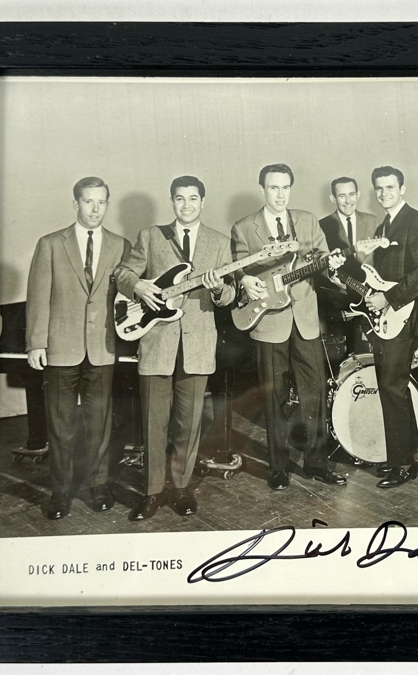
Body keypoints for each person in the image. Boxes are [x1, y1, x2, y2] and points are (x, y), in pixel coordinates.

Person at [113, 176, 236, 521]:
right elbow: (123, 272)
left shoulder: (219, 243)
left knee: (189, 422)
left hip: (197, 344)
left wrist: (216, 291)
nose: (186, 205)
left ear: (203, 201)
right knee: (155, 422)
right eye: (179, 199)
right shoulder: (151, 237)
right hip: (157, 343)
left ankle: (181, 487)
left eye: (193, 198)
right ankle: (152, 493)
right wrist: (137, 284)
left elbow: (228, 296)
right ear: (172, 202)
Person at [231, 163, 347, 490]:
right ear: (262, 189)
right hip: (268, 320)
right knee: (274, 397)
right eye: (273, 188)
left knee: (315, 395)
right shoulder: (244, 228)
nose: (280, 195)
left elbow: (323, 260)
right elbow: (238, 270)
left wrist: (333, 266)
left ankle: (316, 463)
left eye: (285, 188)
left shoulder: (307, 221)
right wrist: (245, 279)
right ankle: (278, 468)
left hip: (306, 320)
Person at [26, 176, 131, 519]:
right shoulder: (51, 244)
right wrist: (36, 343)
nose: (95, 209)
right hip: (60, 347)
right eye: (89, 201)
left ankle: (98, 486)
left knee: (100, 423)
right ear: (76, 204)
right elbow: (39, 297)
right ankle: (59, 492)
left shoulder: (121, 246)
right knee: (60, 425)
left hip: (102, 347)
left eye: (102, 202)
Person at [363, 166, 418, 489]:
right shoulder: (383, 226)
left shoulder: (417, 221)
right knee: (394, 388)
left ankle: (401, 465)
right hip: (388, 319)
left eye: (390, 187)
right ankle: (410, 456)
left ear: (402, 188)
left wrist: (388, 299)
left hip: (403, 317)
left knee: (392, 388)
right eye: (379, 188)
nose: (384, 193)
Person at [317, 177, 380, 353]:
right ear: (333, 198)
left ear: (358, 194)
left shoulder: (373, 221)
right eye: (342, 196)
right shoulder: (321, 226)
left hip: (370, 297)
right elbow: (319, 263)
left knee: (375, 352)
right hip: (339, 301)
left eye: (351, 194)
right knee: (343, 355)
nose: (348, 201)